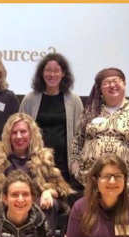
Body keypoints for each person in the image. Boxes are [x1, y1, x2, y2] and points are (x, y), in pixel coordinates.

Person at [0, 112, 72, 217]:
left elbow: (59, 186)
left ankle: (44, 233)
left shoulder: (43, 158)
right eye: (14, 132)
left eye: (23, 132)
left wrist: (48, 192)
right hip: (1, 212)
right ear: (8, 135)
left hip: (34, 212)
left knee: (50, 203)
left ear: (31, 134)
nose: (18, 136)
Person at [70, 68, 129, 198]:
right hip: (90, 181)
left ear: (124, 84)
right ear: (100, 89)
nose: (112, 85)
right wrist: (75, 168)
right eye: (106, 82)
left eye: (116, 81)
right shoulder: (90, 112)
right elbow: (77, 141)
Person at [19, 52, 83, 185]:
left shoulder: (74, 100)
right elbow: (20, 130)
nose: (52, 75)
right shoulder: (30, 99)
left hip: (65, 164)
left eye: (56, 71)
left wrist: (77, 162)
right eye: (48, 70)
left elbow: (80, 135)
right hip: (37, 164)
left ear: (63, 73)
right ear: (41, 73)